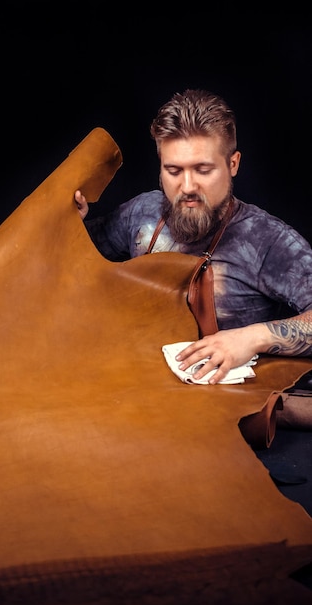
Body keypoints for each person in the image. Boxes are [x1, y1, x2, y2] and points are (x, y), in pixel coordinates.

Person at [74, 88, 312, 386]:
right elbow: (72, 262)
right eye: (173, 170)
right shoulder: (141, 213)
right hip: (130, 387)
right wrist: (71, 222)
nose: (187, 186)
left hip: (215, 411)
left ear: (233, 164)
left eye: (202, 169)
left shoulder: (267, 240)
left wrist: (252, 338)